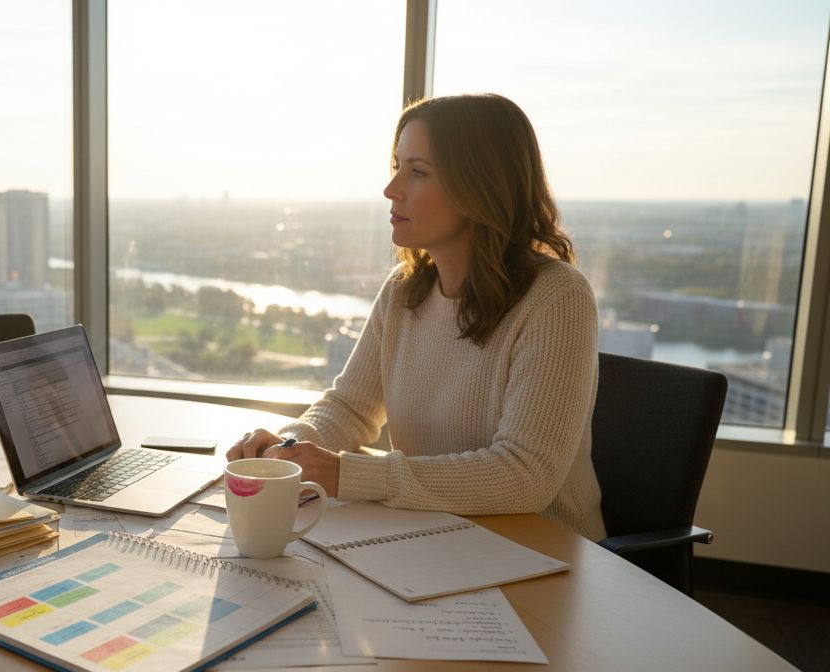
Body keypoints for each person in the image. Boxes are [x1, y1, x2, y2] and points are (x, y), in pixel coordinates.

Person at [227, 93, 605, 541]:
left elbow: (524, 476)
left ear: (481, 188)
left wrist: (347, 474)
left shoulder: (557, 297)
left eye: (418, 172)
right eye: (397, 167)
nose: (392, 189)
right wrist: (287, 448)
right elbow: (350, 408)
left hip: (543, 550)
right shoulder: (404, 290)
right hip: (433, 539)